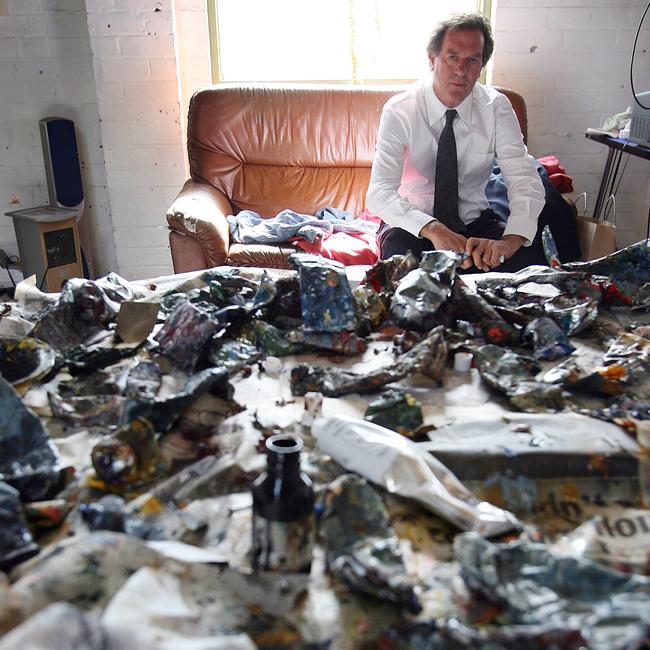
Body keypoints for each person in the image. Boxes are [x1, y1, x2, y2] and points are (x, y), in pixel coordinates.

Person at [366, 13, 551, 272]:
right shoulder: (400, 110)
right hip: (413, 225)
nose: (461, 70)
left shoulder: (496, 107)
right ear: (433, 59)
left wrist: (509, 241)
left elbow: (525, 181)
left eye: (472, 60)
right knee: (401, 269)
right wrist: (434, 229)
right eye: (452, 57)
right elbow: (379, 192)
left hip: (474, 226)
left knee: (529, 265)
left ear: (481, 66)